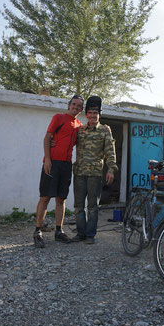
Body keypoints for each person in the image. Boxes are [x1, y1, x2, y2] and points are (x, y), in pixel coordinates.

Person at [33, 94, 84, 248]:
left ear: (81, 109)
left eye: (79, 106)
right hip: (52, 162)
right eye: (73, 104)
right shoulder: (58, 117)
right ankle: (37, 231)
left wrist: (105, 127)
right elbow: (47, 138)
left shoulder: (80, 125)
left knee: (61, 199)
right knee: (45, 197)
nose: (75, 107)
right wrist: (47, 159)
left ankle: (58, 231)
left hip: (66, 165)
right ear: (69, 105)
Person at [72, 96, 118, 244]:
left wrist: (111, 169)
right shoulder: (80, 130)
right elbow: (67, 140)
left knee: (93, 207)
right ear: (86, 114)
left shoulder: (105, 131)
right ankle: (80, 233)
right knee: (79, 206)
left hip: (95, 174)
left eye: (95, 114)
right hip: (79, 173)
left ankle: (90, 235)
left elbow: (110, 152)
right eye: (90, 113)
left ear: (99, 115)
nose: (92, 116)